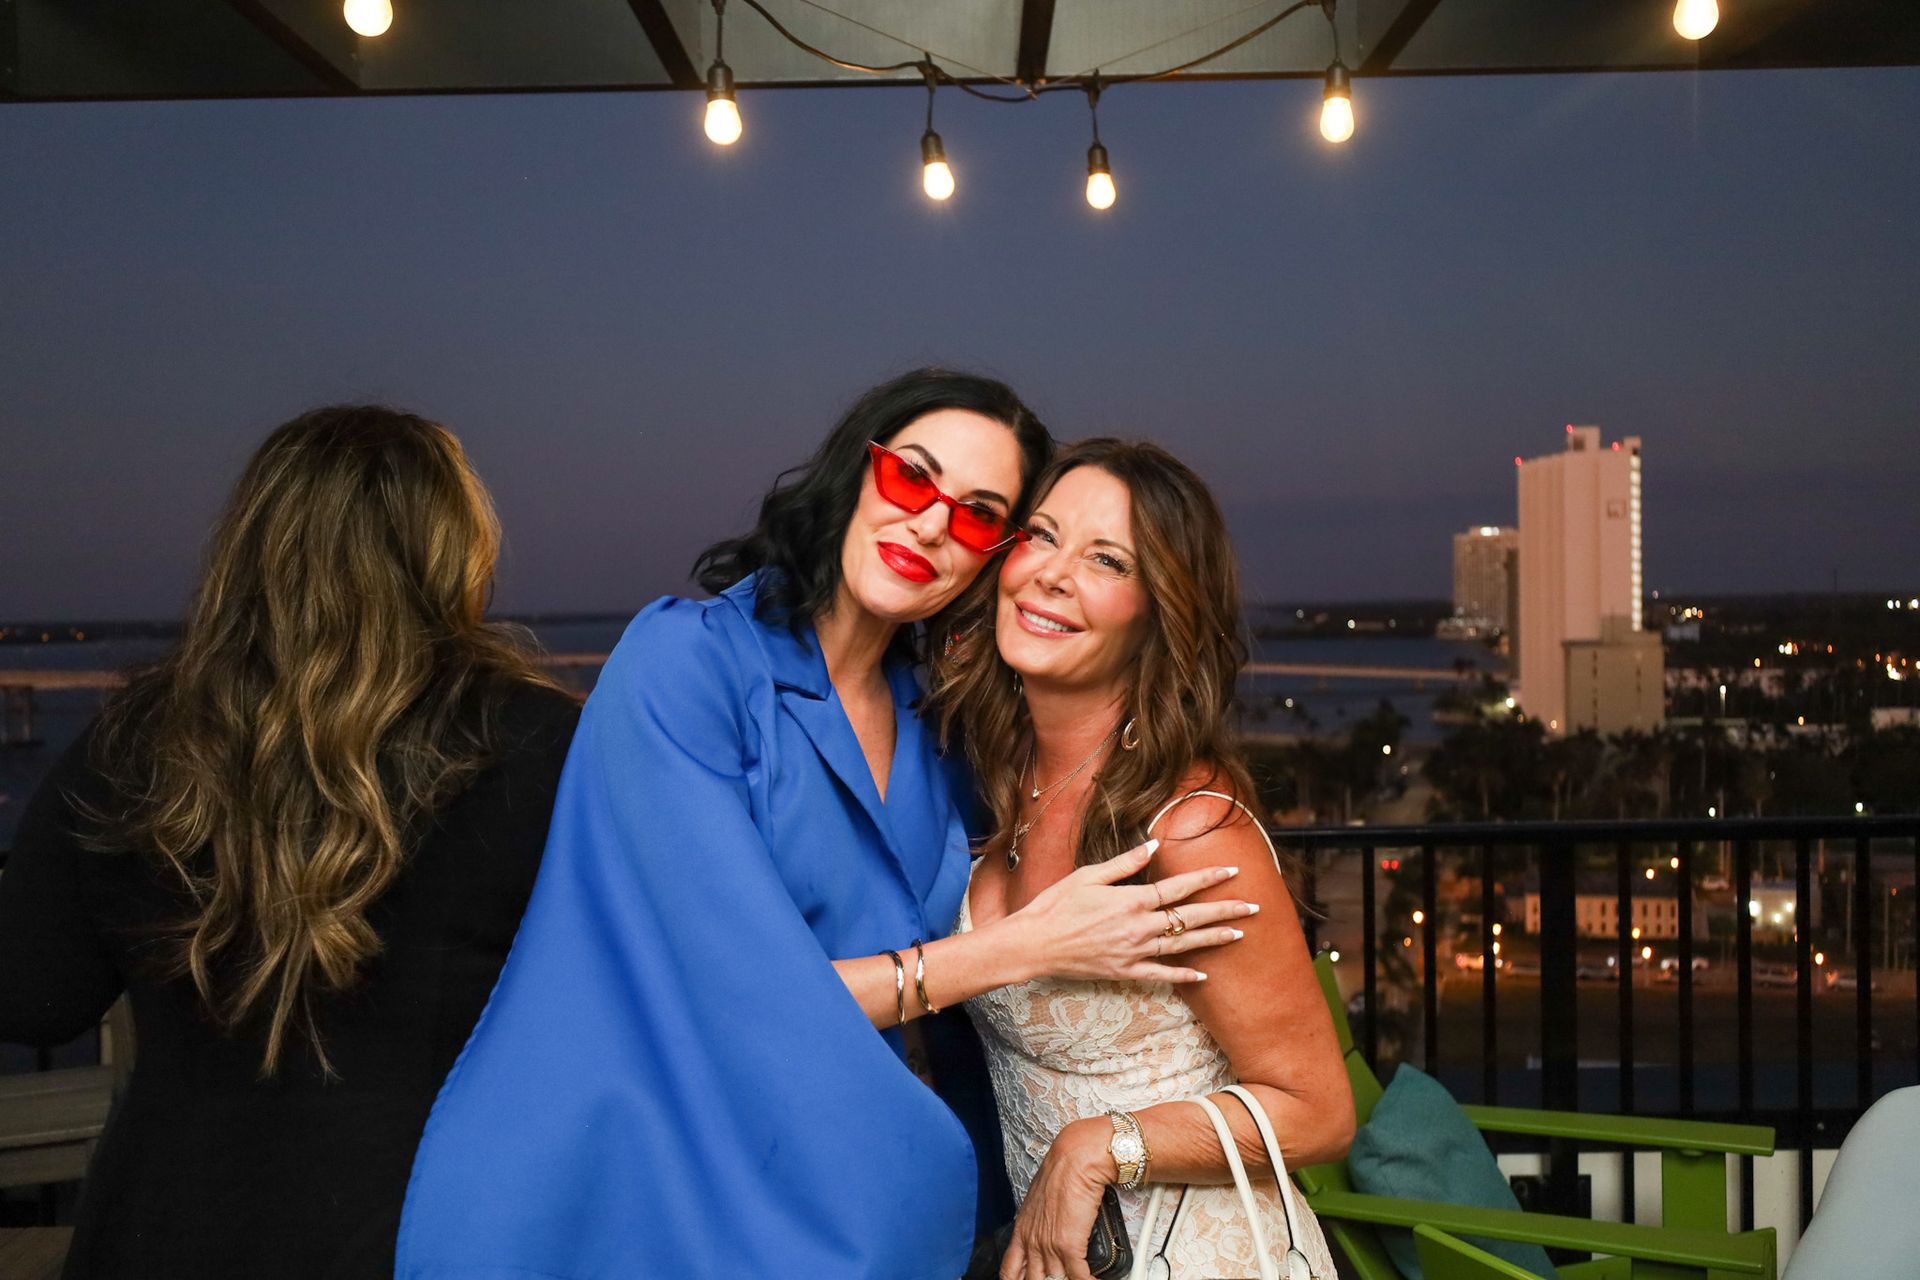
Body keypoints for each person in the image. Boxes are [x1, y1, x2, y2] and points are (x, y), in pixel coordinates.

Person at [396, 371, 1253, 1280]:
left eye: (974, 515)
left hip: (838, 1198)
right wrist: (1029, 947)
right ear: (856, 471)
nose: (929, 523)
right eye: (912, 478)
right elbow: (733, 995)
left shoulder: (937, 725)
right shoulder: (684, 661)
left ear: (991, 557)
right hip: (638, 1194)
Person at [0, 406, 581, 1279]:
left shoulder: (132, 743)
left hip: (163, 1234)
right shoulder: (540, 744)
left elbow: (32, 997)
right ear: (454, 549)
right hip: (428, 1236)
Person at [936, 438, 1354, 1280]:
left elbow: (1318, 1111)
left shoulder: (1190, 823)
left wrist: (1096, 1147)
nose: (1053, 573)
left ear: (1157, 612)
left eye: (1106, 559)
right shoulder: (993, 784)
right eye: (1042, 535)